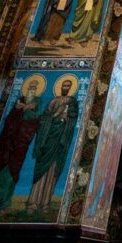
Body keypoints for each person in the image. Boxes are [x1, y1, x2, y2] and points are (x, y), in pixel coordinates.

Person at [0, 78, 44, 211]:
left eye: (35, 87)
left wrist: (28, 110)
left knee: (12, 173)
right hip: (8, 142)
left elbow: (36, 118)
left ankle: (5, 204)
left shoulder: (38, 102)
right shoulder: (20, 99)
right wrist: (18, 108)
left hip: (20, 143)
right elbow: (9, 119)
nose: (32, 88)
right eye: (30, 86)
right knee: (0, 172)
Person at [27, 77, 78, 212]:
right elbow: (44, 118)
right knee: (41, 170)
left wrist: (65, 119)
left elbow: (72, 118)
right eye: (64, 86)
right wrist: (55, 115)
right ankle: (32, 202)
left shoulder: (72, 102)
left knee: (52, 172)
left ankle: (45, 204)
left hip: (59, 141)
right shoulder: (53, 101)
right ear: (60, 87)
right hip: (47, 140)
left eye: (68, 86)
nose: (65, 88)